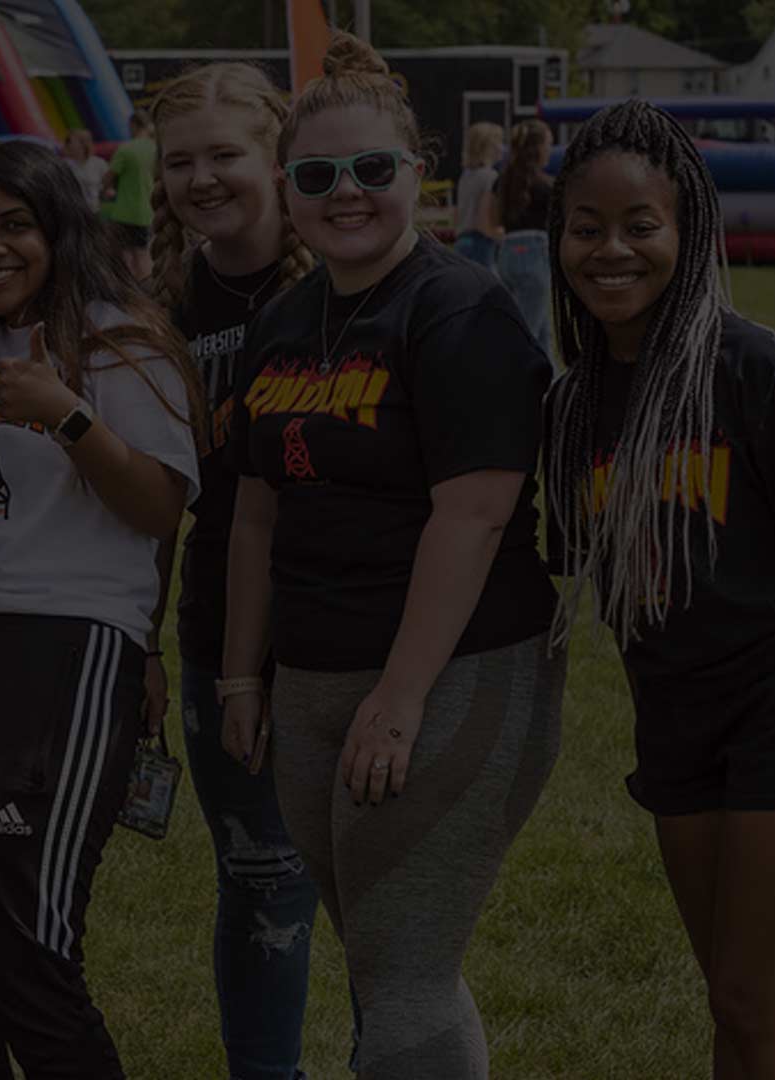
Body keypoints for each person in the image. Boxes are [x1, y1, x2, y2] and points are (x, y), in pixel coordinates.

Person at [218, 33, 563, 1078]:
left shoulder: (461, 310)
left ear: (420, 173)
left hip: (452, 673)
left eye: (374, 169)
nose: (348, 193)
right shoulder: (284, 320)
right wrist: (241, 669)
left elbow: (474, 518)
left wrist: (403, 696)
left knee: (404, 966)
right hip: (317, 674)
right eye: (319, 176)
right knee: (385, 954)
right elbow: (254, 514)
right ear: (289, 188)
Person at [0, 138, 204, 1079]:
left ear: (60, 228)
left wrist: (67, 413)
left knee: (30, 955)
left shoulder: (123, 341)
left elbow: (156, 510)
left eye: (15, 225)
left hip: (67, 646)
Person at [543, 99, 775, 1080]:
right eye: (586, 229)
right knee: (727, 988)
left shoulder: (753, 369)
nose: (611, 251)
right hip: (673, 719)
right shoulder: (572, 404)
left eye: (641, 227)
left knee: (750, 996)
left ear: (690, 231)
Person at [148, 61, 320, 1080]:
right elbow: (152, 502)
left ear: (277, 158)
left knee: (380, 899)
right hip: (220, 634)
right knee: (258, 880)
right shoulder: (159, 303)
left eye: (225, 155)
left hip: (349, 633)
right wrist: (145, 643)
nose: (202, 179)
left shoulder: (346, 278)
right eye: (180, 162)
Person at [495, 118, 553, 351]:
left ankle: (551, 385)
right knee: (529, 333)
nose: (550, 149)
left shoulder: (503, 181)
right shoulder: (546, 186)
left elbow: (493, 220)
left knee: (541, 332)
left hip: (507, 254)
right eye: (549, 144)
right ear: (538, 148)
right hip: (534, 254)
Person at [101, 112, 157, 281]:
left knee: (123, 257)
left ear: (133, 125)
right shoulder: (157, 148)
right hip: (150, 212)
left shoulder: (127, 148)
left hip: (126, 212)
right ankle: (146, 291)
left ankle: (129, 295)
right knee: (144, 255)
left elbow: (108, 178)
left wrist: (109, 188)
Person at [452, 121, 503, 271]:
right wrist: (501, 237)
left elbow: (457, 213)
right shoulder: (490, 176)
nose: (502, 147)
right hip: (480, 243)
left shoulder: (466, 175)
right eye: (499, 142)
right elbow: (483, 221)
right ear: (488, 147)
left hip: (461, 241)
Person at [64, 127, 108, 212]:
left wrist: (104, 195)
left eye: (72, 141)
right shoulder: (66, 165)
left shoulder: (99, 163)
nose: (68, 144)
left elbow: (108, 187)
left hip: (94, 210)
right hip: (73, 211)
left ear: (83, 144)